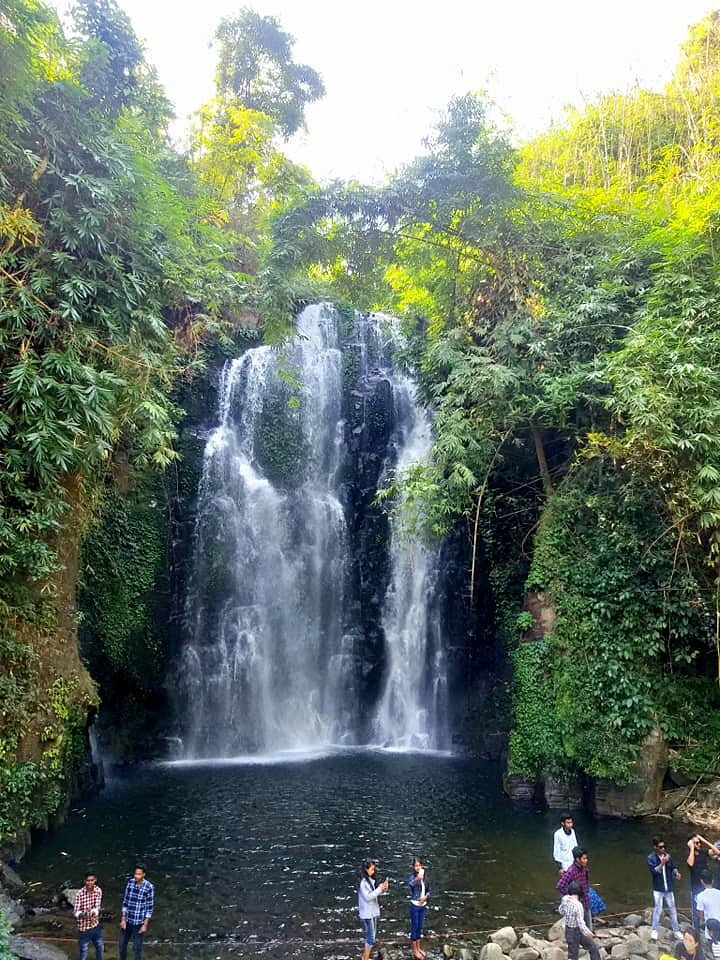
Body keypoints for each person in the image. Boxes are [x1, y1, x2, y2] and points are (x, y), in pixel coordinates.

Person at [648, 837, 683, 942]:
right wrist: (663, 862)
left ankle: (676, 930)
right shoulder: (651, 858)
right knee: (658, 909)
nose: (663, 849)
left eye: (664, 846)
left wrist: (676, 873)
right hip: (658, 889)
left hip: (669, 888)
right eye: (660, 847)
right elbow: (654, 871)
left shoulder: (668, 856)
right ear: (655, 847)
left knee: (672, 909)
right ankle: (654, 930)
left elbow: (673, 867)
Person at [559, 880, 600, 960]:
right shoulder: (578, 905)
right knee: (591, 947)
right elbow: (581, 923)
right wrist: (589, 933)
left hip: (569, 930)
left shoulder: (565, 899)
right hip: (576, 931)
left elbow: (561, 911)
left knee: (572, 954)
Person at [119, 865, 154, 960]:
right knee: (122, 945)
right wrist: (123, 919)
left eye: (139, 874)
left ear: (143, 875)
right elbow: (125, 902)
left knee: (137, 948)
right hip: (127, 920)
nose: (136, 876)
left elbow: (149, 907)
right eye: (135, 873)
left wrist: (145, 925)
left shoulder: (149, 887)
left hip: (138, 923)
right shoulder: (130, 883)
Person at [358, 858, 389, 960]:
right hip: (367, 913)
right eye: (372, 869)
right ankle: (365, 958)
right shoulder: (363, 883)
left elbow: (374, 894)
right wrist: (380, 889)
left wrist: (382, 889)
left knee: (372, 935)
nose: (373, 871)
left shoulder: (370, 881)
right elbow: (368, 897)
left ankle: (365, 957)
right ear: (366, 869)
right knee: (370, 937)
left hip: (371, 912)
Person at [557, 847, 593, 931]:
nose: (586, 860)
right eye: (584, 859)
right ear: (577, 859)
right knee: (578, 929)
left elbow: (586, 882)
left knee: (588, 928)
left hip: (586, 901)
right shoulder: (571, 871)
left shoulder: (584, 868)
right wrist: (571, 896)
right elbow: (560, 886)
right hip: (576, 905)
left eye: (586, 858)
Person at [689, 836, 720, 926]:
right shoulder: (691, 856)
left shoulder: (703, 852)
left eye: (699, 843)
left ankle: (710, 927)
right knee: (696, 913)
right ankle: (696, 931)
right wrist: (691, 848)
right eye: (696, 843)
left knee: (710, 908)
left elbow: (717, 852)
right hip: (695, 887)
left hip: (706, 886)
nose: (699, 844)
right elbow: (690, 863)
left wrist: (704, 840)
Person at [73, 872, 103, 960]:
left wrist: (93, 912)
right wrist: (84, 914)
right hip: (83, 928)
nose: (90, 883)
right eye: (88, 881)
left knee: (100, 948)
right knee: (83, 951)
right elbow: (76, 912)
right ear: (85, 881)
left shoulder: (98, 890)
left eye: (92, 880)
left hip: (95, 925)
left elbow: (97, 907)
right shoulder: (79, 893)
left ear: (95, 880)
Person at [408, 856, 430, 960]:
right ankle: (414, 950)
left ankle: (418, 947)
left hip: (423, 905)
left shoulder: (425, 876)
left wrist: (426, 897)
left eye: (419, 865)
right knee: (414, 927)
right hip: (415, 905)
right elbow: (411, 885)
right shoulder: (412, 877)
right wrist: (417, 879)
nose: (417, 867)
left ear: (421, 866)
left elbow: (429, 889)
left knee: (420, 927)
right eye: (415, 866)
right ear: (413, 867)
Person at [697, 871, 720, 941]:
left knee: (712, 947)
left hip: (710, 929)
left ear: (702, 881)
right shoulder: (719, 893)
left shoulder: (700, 896)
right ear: (712, 881)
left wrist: (702, 921)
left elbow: (700, 913)